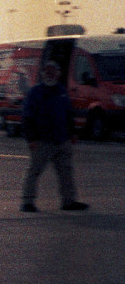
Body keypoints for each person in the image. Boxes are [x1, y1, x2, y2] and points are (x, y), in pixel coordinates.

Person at [20, 61, 88, 212]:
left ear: (58, 74)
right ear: (43, 73)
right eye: (47, 71)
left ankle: (69, 201)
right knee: (34, 171)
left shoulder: (61, 91)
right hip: (42, 142)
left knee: (66, 172)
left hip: (62, 140)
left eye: (53, 71)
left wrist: (73, 133)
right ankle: (27, 202)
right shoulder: (35, 92)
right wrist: (31, 139)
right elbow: (27, 118)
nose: (50, 74)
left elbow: (68, 114)